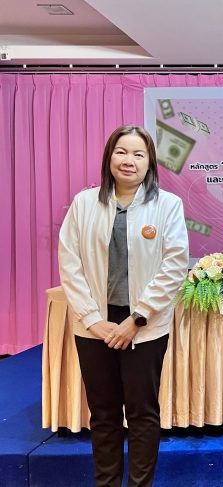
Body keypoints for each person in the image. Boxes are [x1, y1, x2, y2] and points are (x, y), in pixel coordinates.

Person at [58, 125, 189, 487]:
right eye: (121, 152)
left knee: (142, 412)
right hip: (94, 325)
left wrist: (138, 317)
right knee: (103, 414)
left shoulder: (167, 205)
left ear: (150, 163)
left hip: (144, 325)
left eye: (138, 154)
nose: (128, 160)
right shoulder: (85, 203)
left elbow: (174, 264)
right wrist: (92, 319)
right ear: (109, 157)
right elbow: (70, 263)